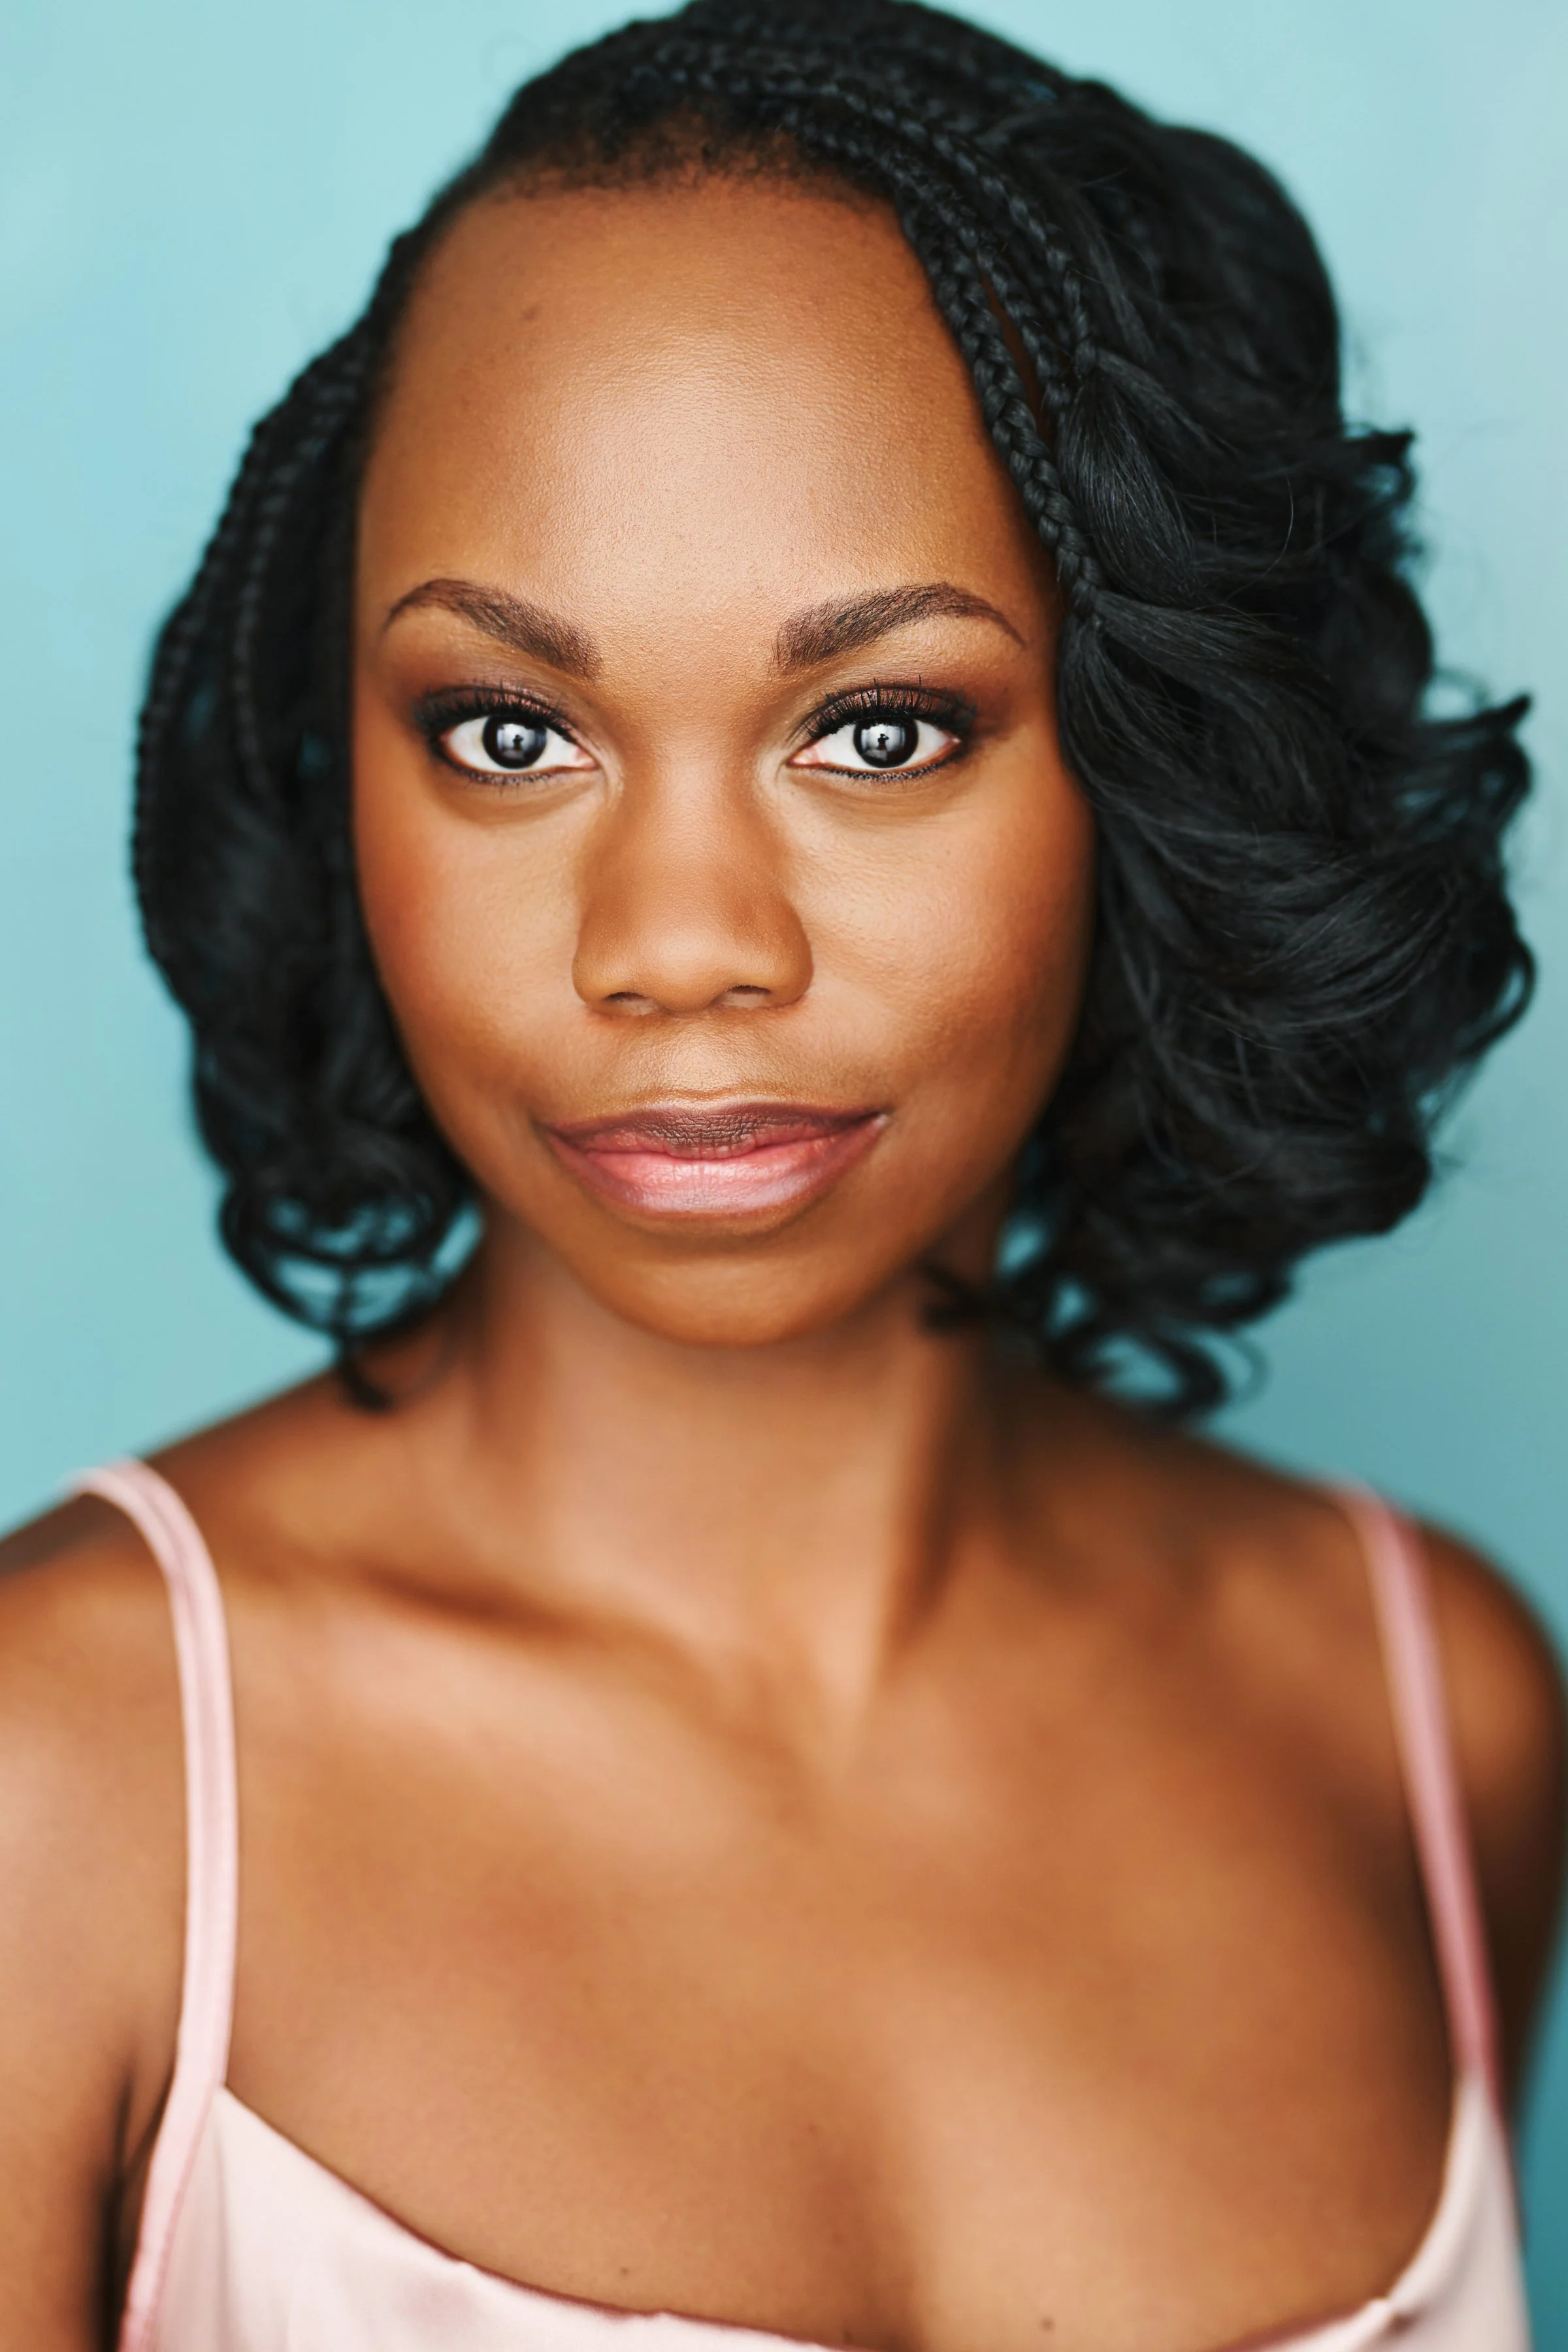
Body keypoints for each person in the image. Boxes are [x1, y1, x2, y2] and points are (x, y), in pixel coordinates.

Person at [1, 3, 1562, 2345]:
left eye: (882, 726)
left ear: (1144, 759)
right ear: (342, 770)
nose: (680, 945)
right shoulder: (68, 1788)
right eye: (509, 732)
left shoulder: (1425, 1715)